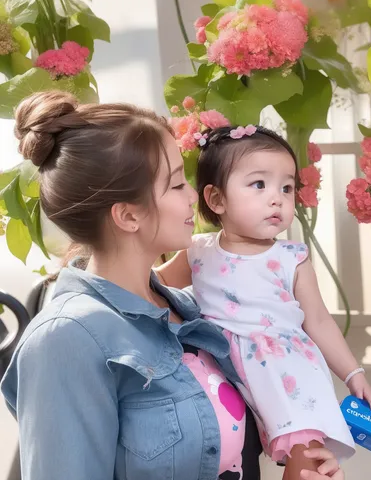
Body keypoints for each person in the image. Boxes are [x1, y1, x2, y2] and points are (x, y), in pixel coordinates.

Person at [1, 92, 345, 480]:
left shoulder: (192, 309)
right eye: (177, 184)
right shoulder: (65, 340)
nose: (194, 197)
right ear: (128, 215)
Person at [159, 125, 371, 480]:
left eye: (287, 187)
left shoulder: (292, 258)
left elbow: (318, 321)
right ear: (216, 200)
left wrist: (353, 372)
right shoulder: (198, 251)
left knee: (306, 456)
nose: (277, 198)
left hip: (285, 369)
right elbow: (155, 284)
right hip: (222, 364)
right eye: (259, 184)